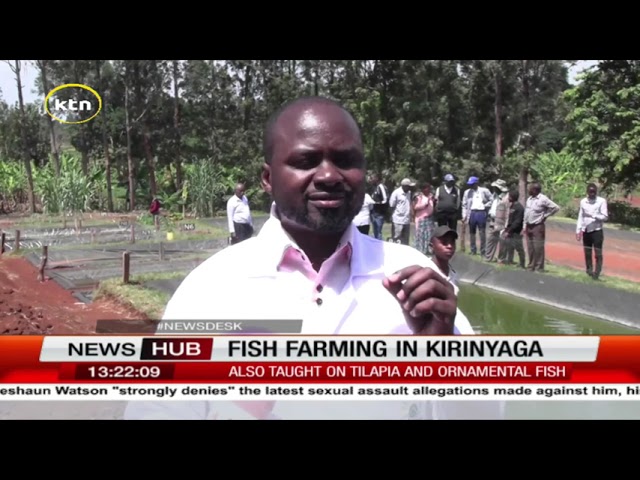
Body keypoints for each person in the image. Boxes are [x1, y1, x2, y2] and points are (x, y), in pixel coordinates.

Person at [124, 96, 503, 420]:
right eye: (306, 161)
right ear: (268, 178)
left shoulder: (416, 282)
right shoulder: (211, 289)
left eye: (345, 159)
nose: (328, 175)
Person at [523, 182, 559, 272]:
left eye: (530, 189)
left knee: (538, 247)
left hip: (538, 226)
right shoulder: (529, 199)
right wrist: (524, 225)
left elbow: (555, 207)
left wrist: (545, 215)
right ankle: (531, 265)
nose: (529, 190)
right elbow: (526, 213)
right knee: (530, 247)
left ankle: (539, 267)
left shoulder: (543, 199)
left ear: (535, 190)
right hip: (528, 225)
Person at [576, 183, 608, 280]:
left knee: (598, 253)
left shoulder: (601, 201)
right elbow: (580, 216)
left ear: (596, 192)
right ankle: (589, 270)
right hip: (586, 230)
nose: (592, 194)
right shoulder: (583, 202)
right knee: (587, 251)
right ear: (587, 192)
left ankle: (597, 273)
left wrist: (594, 215)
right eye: (590, 192)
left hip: (597, 230)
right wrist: (578, 230)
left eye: (594, 192)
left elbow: (605, 217)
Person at [461, 176, 492, 256]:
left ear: (476, 183)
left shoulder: (484, 191)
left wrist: (485, 205)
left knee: (482, 232)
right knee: (472, 232)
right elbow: (464, 204)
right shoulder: (467, 192)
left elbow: (491, 200)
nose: (471, 186)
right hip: (472, 213)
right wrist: (464, 215)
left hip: (481, 212)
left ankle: (483, 250)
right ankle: (473, 249)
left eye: (472, 184)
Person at [485, 179, 509, 262]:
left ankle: (501, 259)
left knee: (502, 241)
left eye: (495, 187)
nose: (494, 189)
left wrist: (506, 224)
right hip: (492, 220)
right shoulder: (494, 195)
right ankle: (488, 257)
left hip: (501, 221)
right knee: (490, 239)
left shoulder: (506, 198)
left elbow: (508, 211)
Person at [429, 225, 459, 291]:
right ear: (431, 247)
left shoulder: (454, 275)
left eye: (452, 242)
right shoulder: (425, 270)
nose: (450, 246)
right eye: (444, 242)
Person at [501, 190, 526, 268]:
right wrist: (507, 229)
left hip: (516, 231)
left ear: (512, 197)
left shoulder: (519, 208)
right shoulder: (512, 206)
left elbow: (517, 222)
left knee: (519, 247)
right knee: (509, 246)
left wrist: (509, 230)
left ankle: (522, 264)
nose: (508, 198)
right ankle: (509, 260)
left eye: (509, 196)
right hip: (510, 229)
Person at [389, 178, 415, 244]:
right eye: (409, 186)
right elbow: (391, 205)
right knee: (397, 238)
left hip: (406, 220)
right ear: (404, 186)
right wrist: (391, 217)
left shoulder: (409, 193)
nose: (410, 188)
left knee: (405, 239)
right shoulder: (396, 193)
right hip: (398, 220)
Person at [412, 183, 436, 255]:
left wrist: (434, 202)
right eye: (426, 188)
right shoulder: (419, 197)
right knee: (421, 236)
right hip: (421, 219)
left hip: (429, 219)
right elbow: (415, 207)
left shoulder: (431, 196)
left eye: (429, 188)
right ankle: (420, 250)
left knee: (429, 235)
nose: (428, 190)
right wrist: (424, 204)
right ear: (423, 189)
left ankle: (428, 250)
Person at [369, 173, 388, 240]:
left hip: (379, 213)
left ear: (376, 178)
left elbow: (385, 200)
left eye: (372, 178)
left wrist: (376, 203)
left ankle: (380, 247)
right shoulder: (374, 188)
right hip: (373, 213)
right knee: (375, 232)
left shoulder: (381, 187)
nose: (370, 180)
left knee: (379, 232)